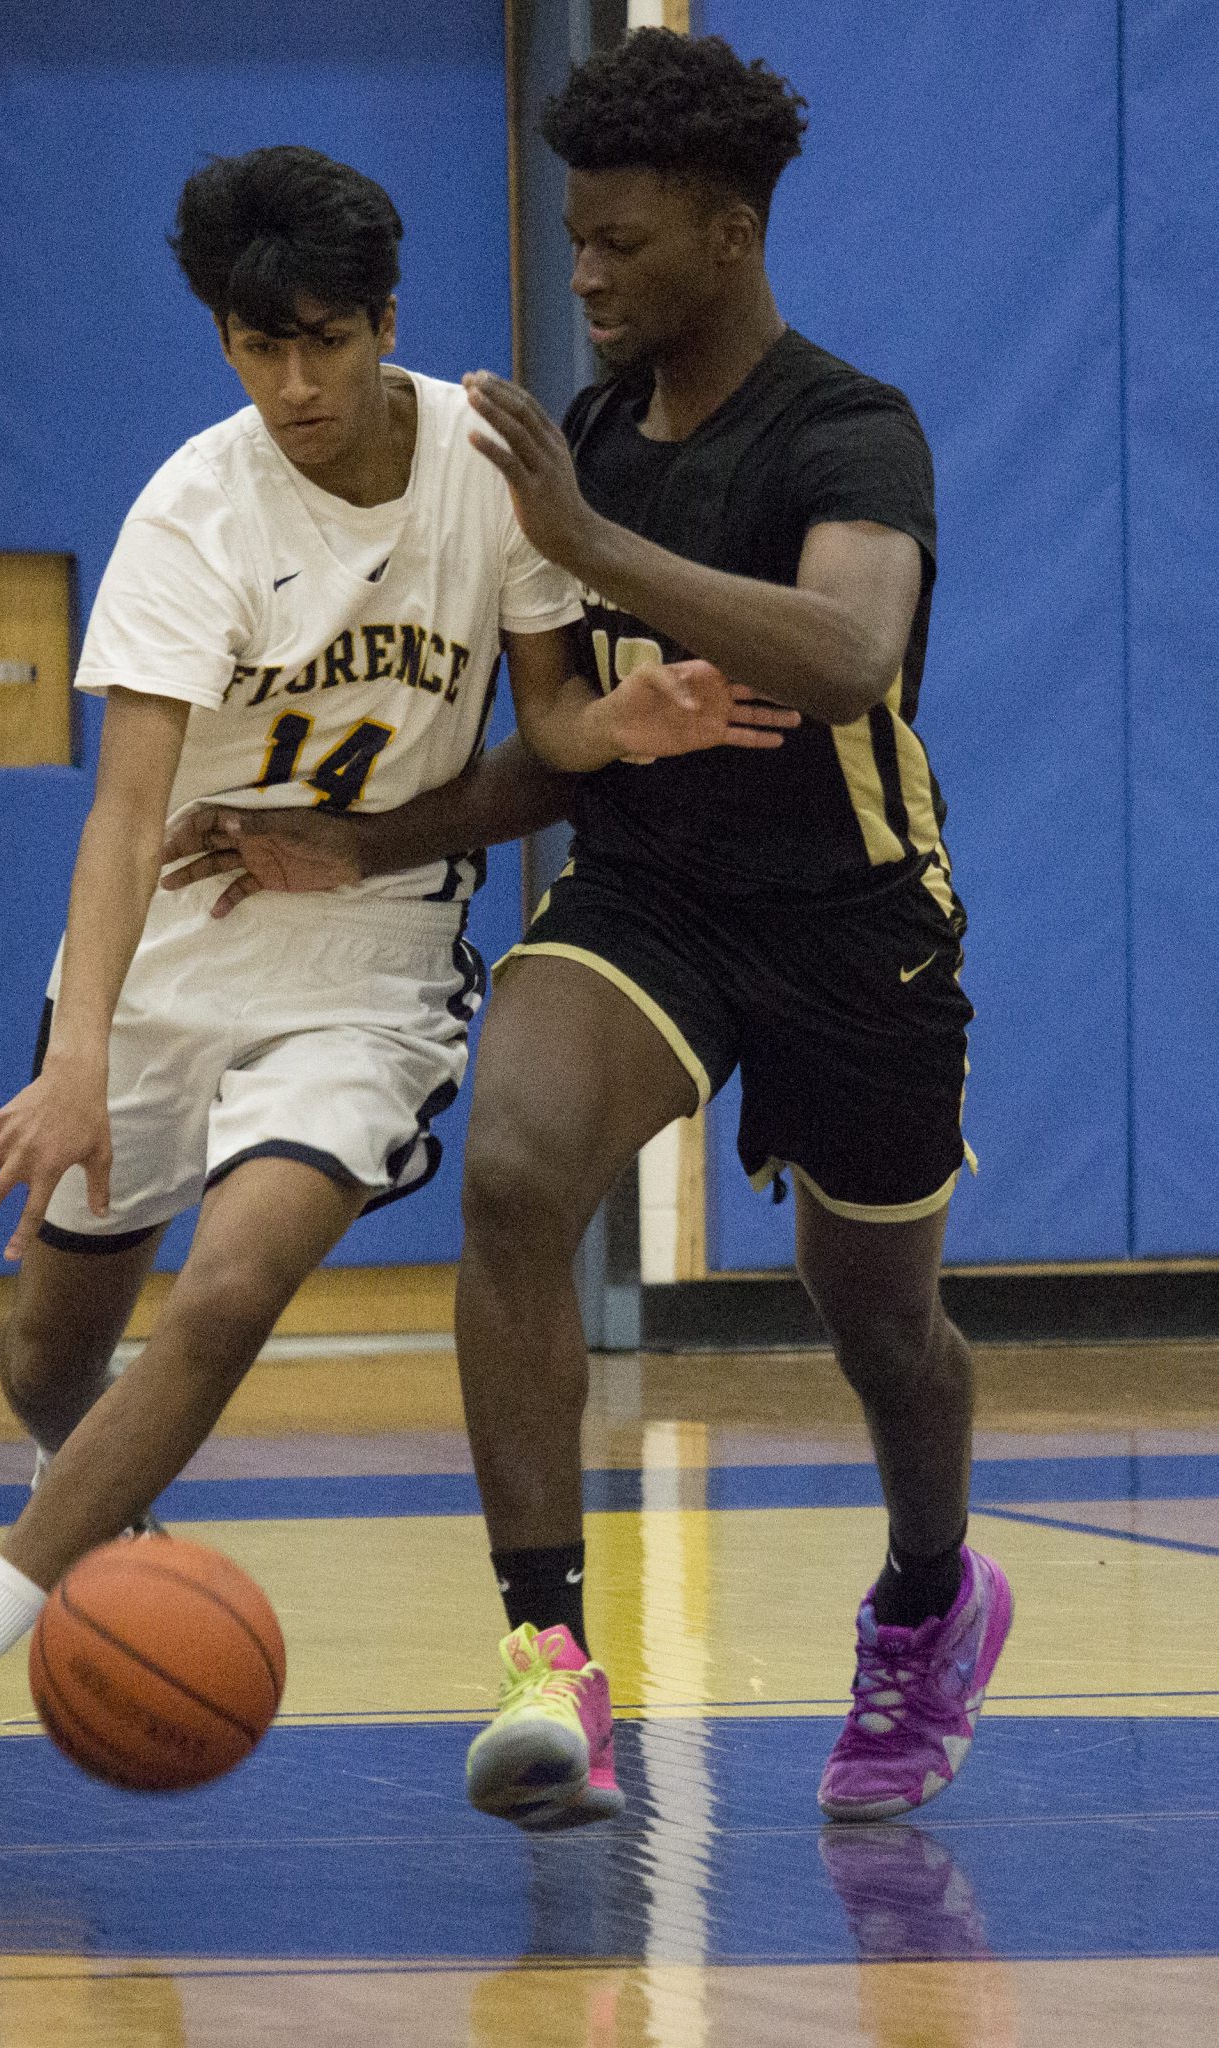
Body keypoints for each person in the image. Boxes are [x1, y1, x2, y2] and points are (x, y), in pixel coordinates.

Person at [0, 142, 796, 1853]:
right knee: (51, 1360)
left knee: (230, 1293)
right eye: (255, 348)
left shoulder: (489, 473)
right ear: (220, 343)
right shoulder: (191, 511)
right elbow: (125, 817)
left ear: (383, 324)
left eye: (323, 344)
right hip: (169, 959)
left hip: (366, 966)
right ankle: (100, 1536)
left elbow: (552, 721)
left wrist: (610, 732)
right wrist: (72, 1063)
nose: (291, 385)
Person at [164, 30, 1011, 1831]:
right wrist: (357, 837)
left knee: (880, 1333)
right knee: (517, 1171)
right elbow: (558, 756)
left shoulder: (845, 429)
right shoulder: (595, 440)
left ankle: (932, 1596)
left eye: (618, 241)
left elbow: (849, 656)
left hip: (855, 927)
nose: (585, 274)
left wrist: (592, 541)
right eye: (569, 240)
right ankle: (547, 1662)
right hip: (649, 897)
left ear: (723, 228)